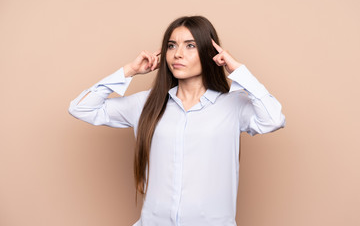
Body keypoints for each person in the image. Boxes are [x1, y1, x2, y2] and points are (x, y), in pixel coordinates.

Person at [68, 15, 286, 226]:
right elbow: (81, 107)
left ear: (210, 52)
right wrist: (129, 71)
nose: (178, 54)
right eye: (172, 46)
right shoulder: (146, 105)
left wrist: (239, 71)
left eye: (190, 45)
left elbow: (273, 119)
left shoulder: (233, 106)